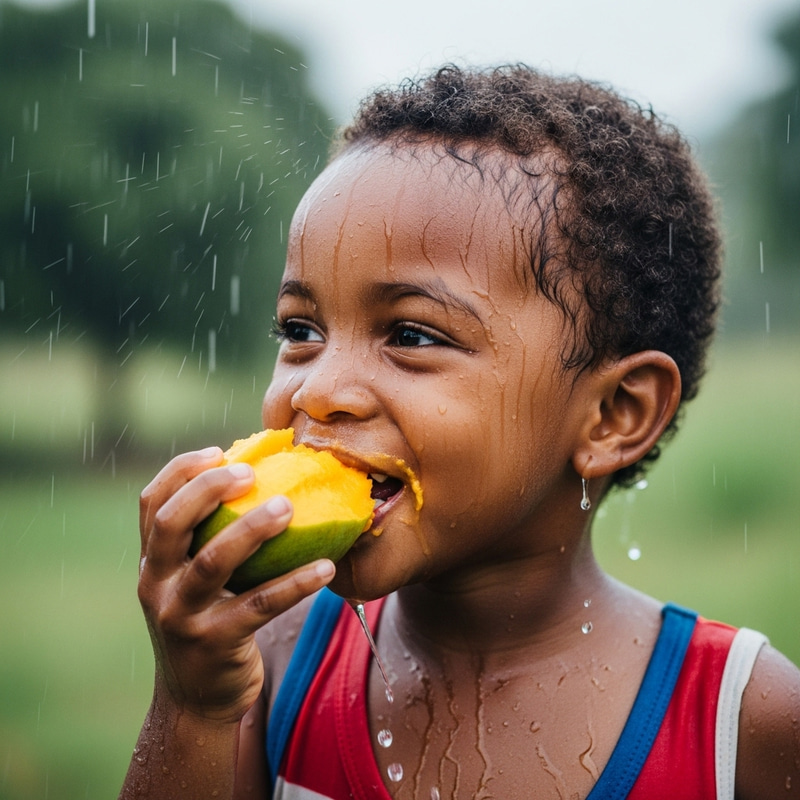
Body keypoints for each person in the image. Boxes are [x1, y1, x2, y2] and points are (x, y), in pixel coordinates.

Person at [119, 65, 800, 800]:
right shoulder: (274, 664)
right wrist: (191, 707)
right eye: (301, 329)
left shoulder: (744, 721)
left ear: (614, 415)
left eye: (411, 334)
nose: (317, 390)